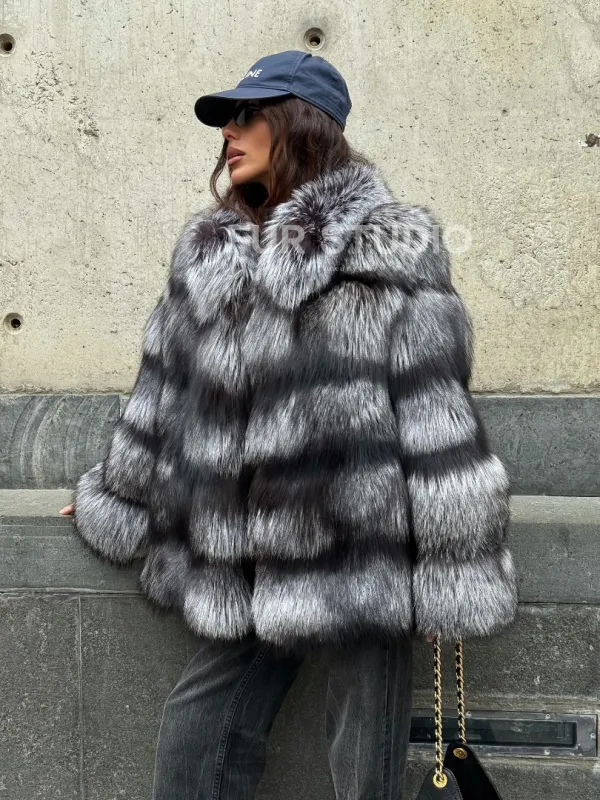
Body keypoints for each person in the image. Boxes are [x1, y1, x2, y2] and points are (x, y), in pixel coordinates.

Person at [59, 50, 519, 800]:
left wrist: (453, 568)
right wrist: (119, 495)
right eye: (226, 120)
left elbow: (438, 420)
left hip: (365, 551)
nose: (229, 133)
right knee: (193, 738)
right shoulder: (208, 255)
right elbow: (161, 392)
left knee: (362, 767)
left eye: (247, 115)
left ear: (301, 124)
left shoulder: (389, 249)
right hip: (241, 553)